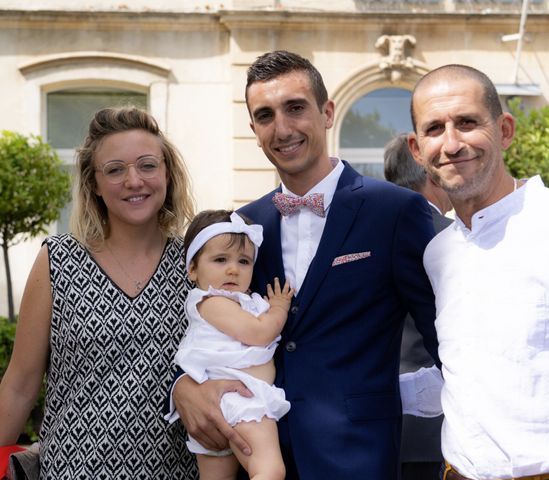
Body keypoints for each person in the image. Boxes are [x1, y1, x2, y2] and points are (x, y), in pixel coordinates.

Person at [168, 50, 439, 479]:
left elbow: (446, 336)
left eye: (295, 108)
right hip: (260, 454)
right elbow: (203, 322)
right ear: (254, 129)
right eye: (265, 115)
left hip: (358, 458)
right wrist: (183, 386)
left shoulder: (395, 211)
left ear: (327, 112)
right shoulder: (244, 226)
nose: (283, 128)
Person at [407, 64, 549, 480]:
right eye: (435, 129)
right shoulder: (438, 253)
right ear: (416, 149)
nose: (452, 143)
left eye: (467, 122)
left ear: (505, 130)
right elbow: (465, 374)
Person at [0, 106, 199, 478]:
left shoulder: (198, 264)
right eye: (115, 169)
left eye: (147, 165)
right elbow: (19, 386)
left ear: (167, 174)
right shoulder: (57, 260)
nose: (134, 180)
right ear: (94, 182)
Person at [166, 209, 293, 480]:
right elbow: (259, 334)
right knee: (270, 470)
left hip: (225, 404)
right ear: (192, 269)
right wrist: (279, 309)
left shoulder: (239, 302)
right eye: (220, 259)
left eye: (244, 261)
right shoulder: (212, 302)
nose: (233, 269)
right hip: (239, 402)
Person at [384, 133, 451, 480]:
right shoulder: (449, 236)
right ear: (430, 173)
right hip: (431, 423)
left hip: (372, 420)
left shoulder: (368, 230)